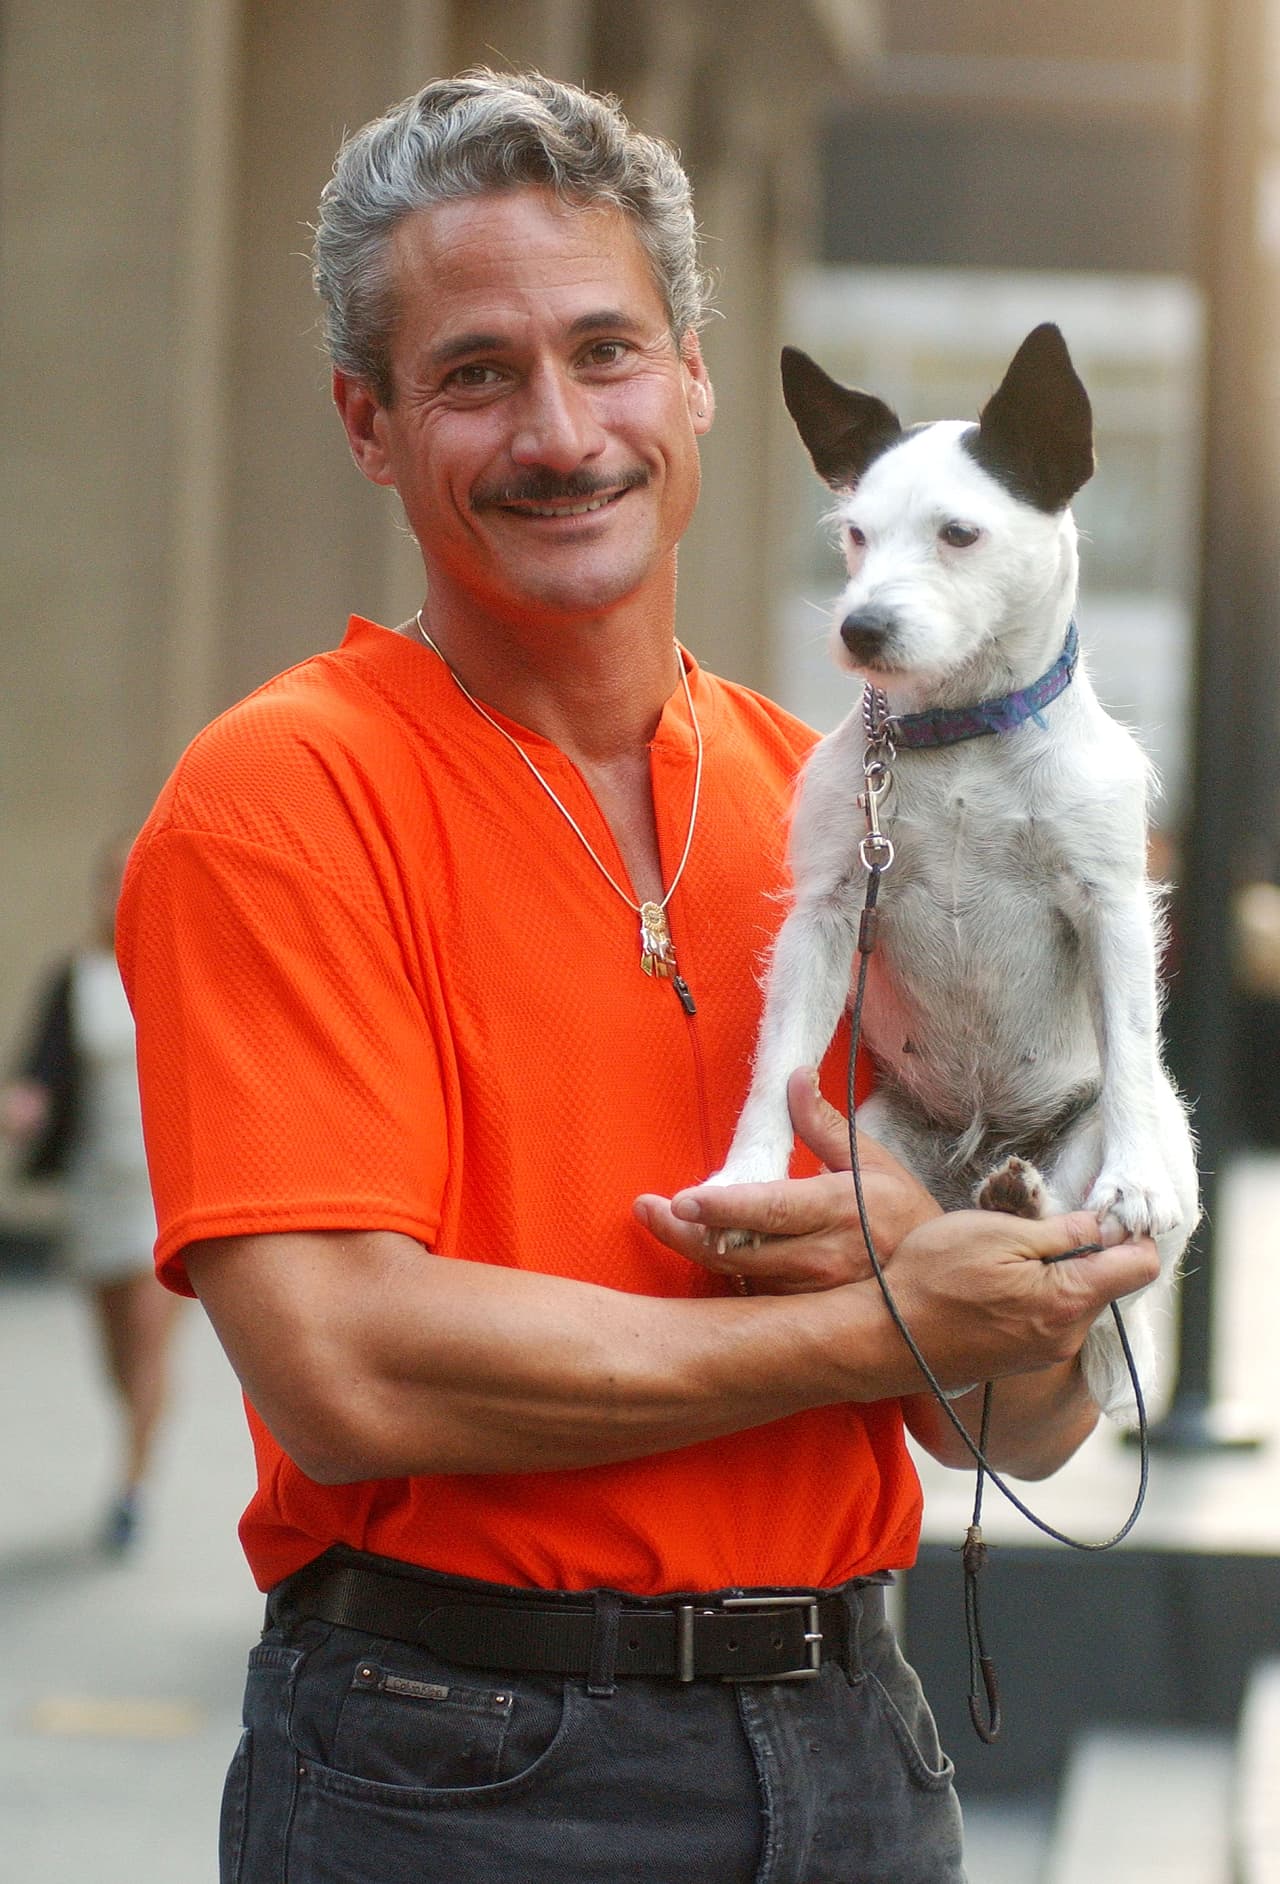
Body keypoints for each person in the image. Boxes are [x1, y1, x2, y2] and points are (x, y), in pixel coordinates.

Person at [116, 70, 1158, 1883]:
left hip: (858, 1744)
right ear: (368, 425)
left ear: (693, 377)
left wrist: (1020, 1293)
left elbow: (1014, 1421)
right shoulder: (278, 799)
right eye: (474, 373)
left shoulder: (839, 793)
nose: (561, 428)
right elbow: (351, 1364)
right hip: (457, 1772)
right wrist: (885, 1306)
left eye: (606, 352)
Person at [3, 837, 183, 1553]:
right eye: (110, 883)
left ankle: (131, 1488)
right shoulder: (74, 979)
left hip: (162, 1184)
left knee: (148, 1337)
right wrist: (26, 1104)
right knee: (116, 1350)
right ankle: (133, 1438)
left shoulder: (180, 969)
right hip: (94, 1186)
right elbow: (41, 1069)